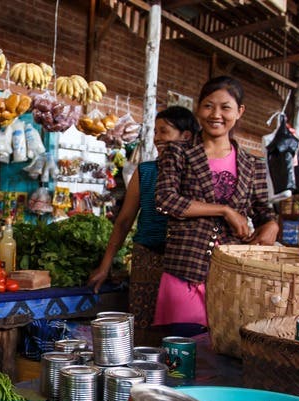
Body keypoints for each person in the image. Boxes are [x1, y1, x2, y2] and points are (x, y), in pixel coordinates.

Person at [154, 76, 278, 328]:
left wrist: (271, 226)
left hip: (230, 274)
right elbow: (166, 200)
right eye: (209, 105)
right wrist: (225, 210)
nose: (216, 114)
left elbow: (265, 211)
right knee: (182, 352)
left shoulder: (252, 164)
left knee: (223, 352)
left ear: (239, 112)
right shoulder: (178, 152)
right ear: (198, 109)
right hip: (185, 269)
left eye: (226, 107)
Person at [88, 106, 201, 334]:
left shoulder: (199, 173)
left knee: (183, 331)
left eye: (164, 132)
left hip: (187, 262)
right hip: (147, 258)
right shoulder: (146, 171)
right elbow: (124, 221)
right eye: (155, 133)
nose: (157, 139)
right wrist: (105, 265)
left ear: (186, 136)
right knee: (144, 329)